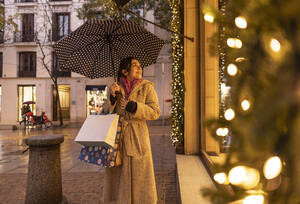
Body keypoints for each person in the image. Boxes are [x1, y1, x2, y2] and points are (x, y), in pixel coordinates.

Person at [102, 57, 160, 204]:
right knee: (118, 178)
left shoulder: (147, 87)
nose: (139, 68)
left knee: (140, 178)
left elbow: (155, 112)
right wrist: (112, 99)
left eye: (140, 65)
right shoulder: (116, 87)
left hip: (138, 137)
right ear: (124, 71)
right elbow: (105, 112)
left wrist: (134, 107)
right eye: (135, 65)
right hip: (118, 139)